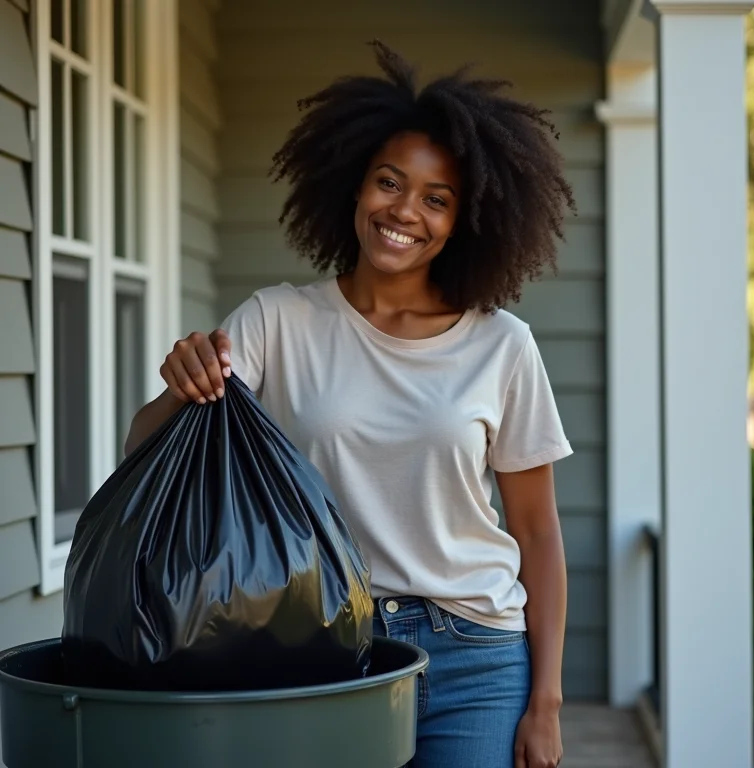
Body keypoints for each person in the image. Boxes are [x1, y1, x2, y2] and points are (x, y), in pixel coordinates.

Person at [126, 40, 574, 768]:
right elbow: (143, 447)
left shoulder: (504, 346)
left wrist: (547, 701)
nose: (404, 211)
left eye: (437, 199)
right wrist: (180, 387)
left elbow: (537, 532)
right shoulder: (277, 321)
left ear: (467, 220)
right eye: (388, 182)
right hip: (326, 645)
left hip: (478, 658)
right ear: (352, 186)